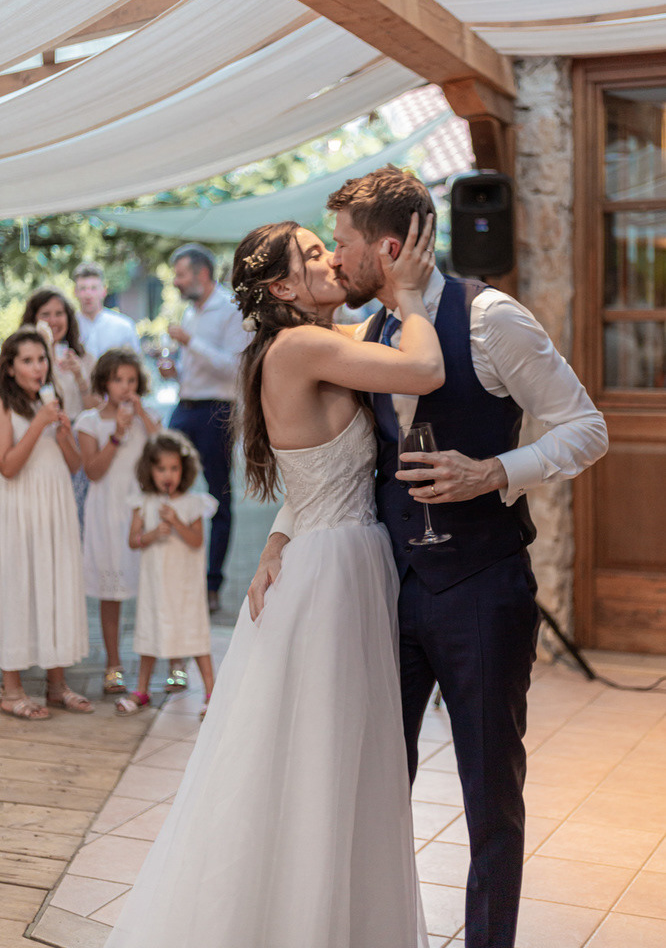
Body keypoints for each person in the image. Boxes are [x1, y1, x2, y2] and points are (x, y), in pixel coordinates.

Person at [250, 167, 609, 948]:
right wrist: (280, 536)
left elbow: (587, 427)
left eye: (341, 244)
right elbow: (334, 466)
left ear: (387, 248)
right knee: (373, 781)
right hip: (389, 590)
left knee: (489, 792)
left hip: (482, 588)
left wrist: (496, 472)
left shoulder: (492, 319)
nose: (333, 259)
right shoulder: (371, 334)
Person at [103, 214, 441, 948]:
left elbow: (310, 476)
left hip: (334, 555)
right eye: (315, 255)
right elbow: (423, 370)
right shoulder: (301, 347)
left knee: (339, 757)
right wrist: (412, 294)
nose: (332, 262)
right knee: (322, 761)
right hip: (333, 573)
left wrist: (277, 538)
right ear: (284, 287)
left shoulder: (313, 341)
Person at [0, 327, 92, 719]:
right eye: (28, 361)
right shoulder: (5, 405)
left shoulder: (50, 400)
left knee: (55, 586)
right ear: (10, 368)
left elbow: (74, 466)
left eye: (42, 359)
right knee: (20, 588)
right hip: (21, 507)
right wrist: (39, 423)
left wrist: (66, 434)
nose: (38, 367)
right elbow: (7, 466)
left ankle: (57, 685)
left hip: (56, 506)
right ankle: (12, 690)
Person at [158, 243, 248, 619]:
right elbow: (194, 367)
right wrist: (174, 371)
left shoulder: (230, 310)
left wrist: (189, 342)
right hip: (184, 408)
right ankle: (171, 574)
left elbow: (235, 368)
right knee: (163, 485)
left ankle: (212, 585)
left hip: (217, 412)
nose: (176, 282)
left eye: (180, 275)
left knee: (218, 496)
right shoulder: (190, 312)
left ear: (202, 274)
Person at [75, 350, 160, 697]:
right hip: (107, 512)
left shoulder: (147, 417)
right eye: (117, 380)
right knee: (111, 593)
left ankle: (167, 657)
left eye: (131, 380)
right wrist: (116, 434)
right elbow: (93, 471)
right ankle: (113, 663)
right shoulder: (89, 422)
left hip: (142, 511)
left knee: (154, 585)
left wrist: (141, 415)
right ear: (103, 382)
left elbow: (163, 451)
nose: (125, 387)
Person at [115, 431, 217, 718]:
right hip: (156, 585)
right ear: (149, 470)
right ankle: (142, 690)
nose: (167, 475)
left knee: (195, 635)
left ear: (184, 470)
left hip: (185, 586)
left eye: (174, 468)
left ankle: (211, 693)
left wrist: (176, 522)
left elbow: (196, 541)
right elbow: (133, 541)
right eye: (161, 468)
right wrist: (152, 534)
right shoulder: (144, 503)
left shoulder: (193, 503)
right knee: (150, 633)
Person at [21, 287, 98, 419]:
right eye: (45, 314)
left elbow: (98, 411)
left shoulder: (86, 359)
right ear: (33, 320)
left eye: (59, 314)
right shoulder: (21, 360)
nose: (53, 321)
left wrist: (80, 377)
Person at [73, 262, 141, 359]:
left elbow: (135, 362)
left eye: (94, 288)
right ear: (75, 292)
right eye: (83, 288)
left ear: (104, 291)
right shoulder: (68, 326)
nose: (88, 294)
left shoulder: (124, 327)